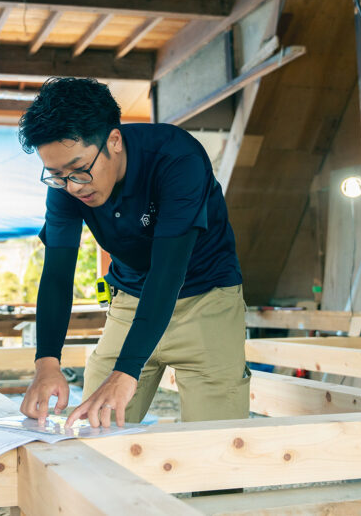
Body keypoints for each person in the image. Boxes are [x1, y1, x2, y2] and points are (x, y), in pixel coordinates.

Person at [18, 77, 249, 428]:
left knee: (217, 443)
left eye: (80, 170)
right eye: (56, 174)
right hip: (130, 300)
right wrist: (46, 361)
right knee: (91, 434)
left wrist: (126, 371)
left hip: (206, 299)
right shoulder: (66, 184)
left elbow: (168, 271)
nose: (72, 186)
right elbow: (57, 274)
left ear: (114, 141)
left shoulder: (176, 158)